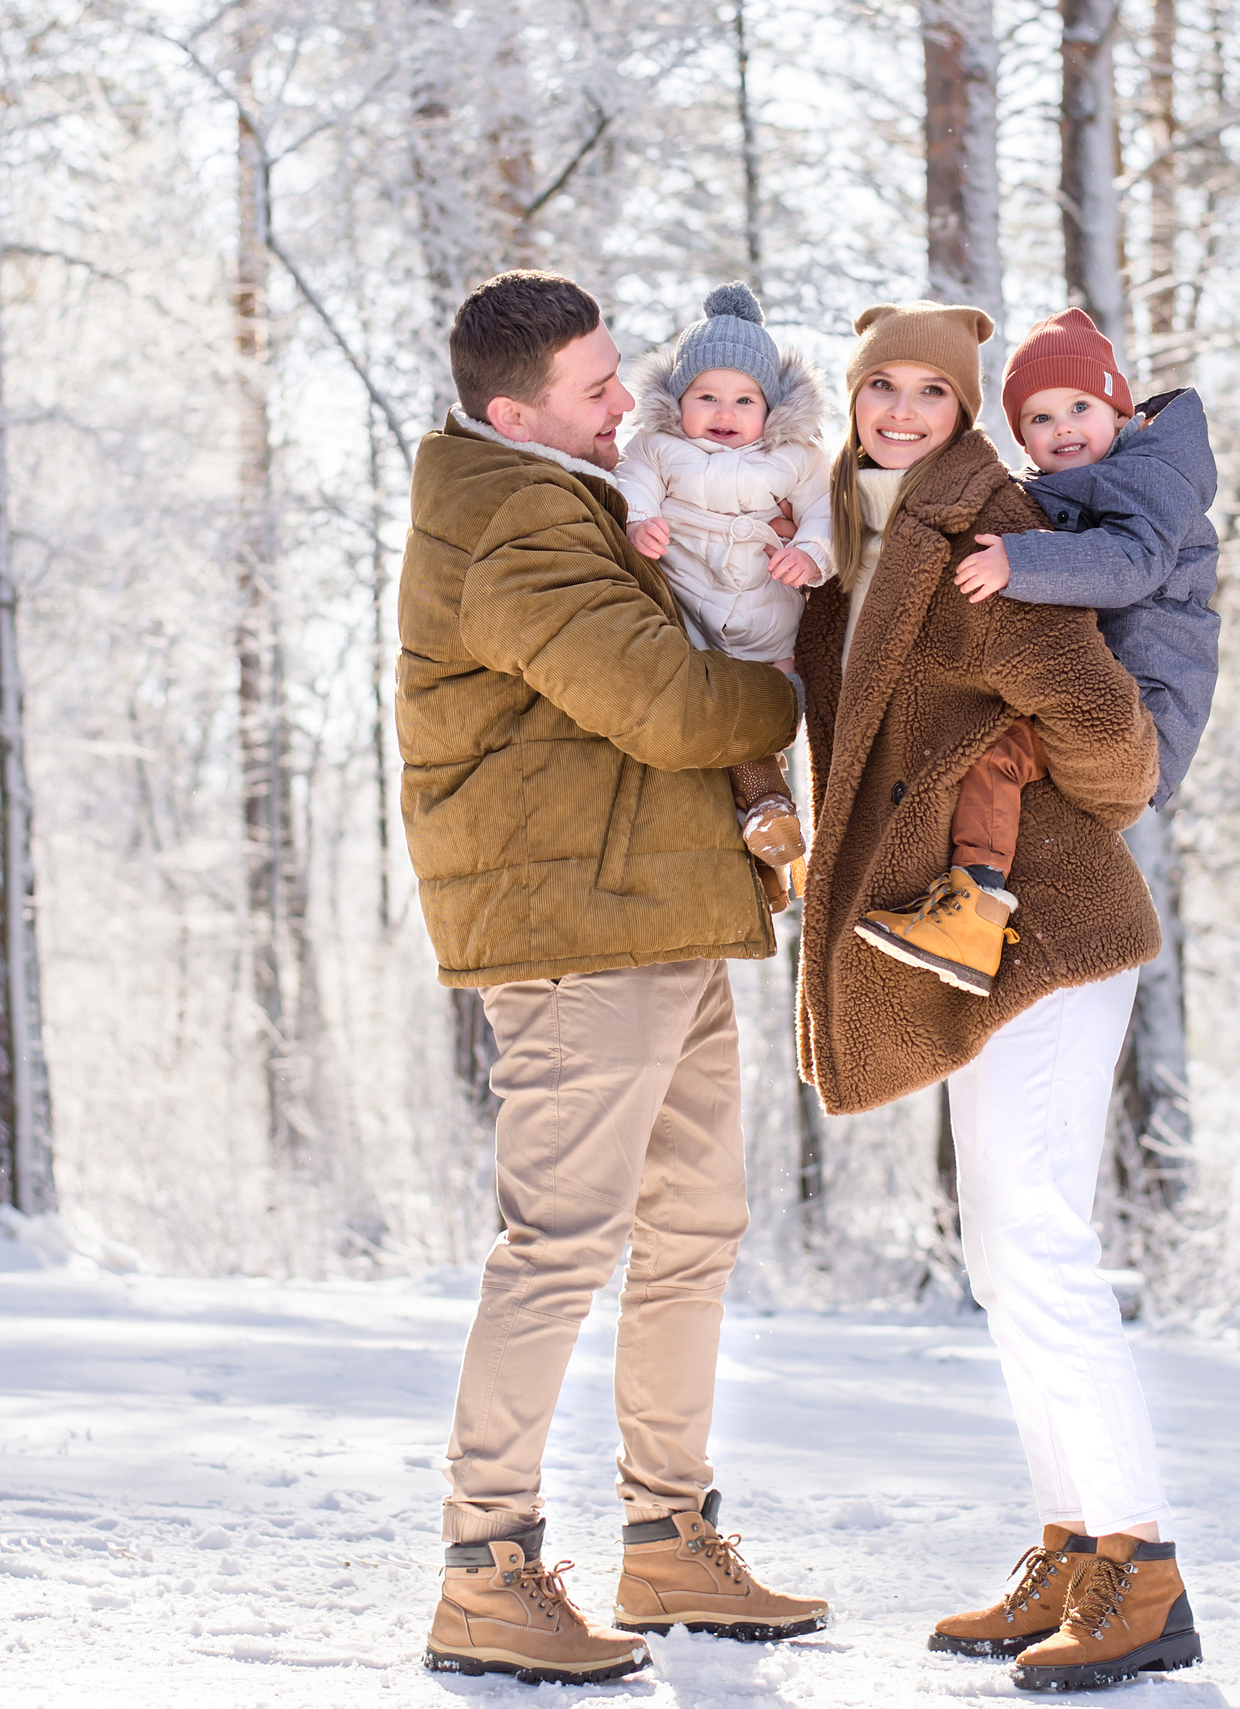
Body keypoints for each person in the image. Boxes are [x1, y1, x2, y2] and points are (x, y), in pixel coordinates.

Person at [397, 269, 830, 1686]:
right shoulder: (513, 517)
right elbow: (663, 699)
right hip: (576, 927)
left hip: (660, 905)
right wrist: (807, 686)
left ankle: (668, 1532)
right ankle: (485, 1565)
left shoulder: (574, 491)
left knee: (694, 1226)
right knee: (560, 1241)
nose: (626, 397)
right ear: (517, 410)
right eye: (597, 385)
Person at [793, 300, 1204, 1692]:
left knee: (1036, 1244)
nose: (902, 412)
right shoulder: (870, 537)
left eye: (933, 391)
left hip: (1049, 928)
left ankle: (1143, 1566)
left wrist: (1036, 780)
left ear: (966, 412)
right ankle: (1076, 1545)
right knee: (1005, 1252)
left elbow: (1114, 744)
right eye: (882, 387)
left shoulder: (984, 534)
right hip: (986, 943)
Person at [853, 306, 1219, 997]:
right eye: (1039, 419)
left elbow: (1130, 565)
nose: (1063, 429)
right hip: (1110, 689)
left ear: (1119, 410)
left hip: (1146, 700)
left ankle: (973, 910)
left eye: (1080, 407)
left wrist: (1019, 561)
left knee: (997, 755)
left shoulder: (1151, 479)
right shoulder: (1084, 480)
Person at [618, 282, 833, 892]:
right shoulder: (656, 447)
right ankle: (766, 816)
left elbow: (825, 513)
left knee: (762, 710)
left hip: (768, 616)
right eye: (706, 396)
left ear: (771, 407)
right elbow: (631, 484)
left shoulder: (796, 456)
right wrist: (638, 522)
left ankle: (769, 835)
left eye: (744, 399)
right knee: (715, 717)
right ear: (677, 401)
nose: (725, 413)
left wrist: (812, 554)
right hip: (691, 611)